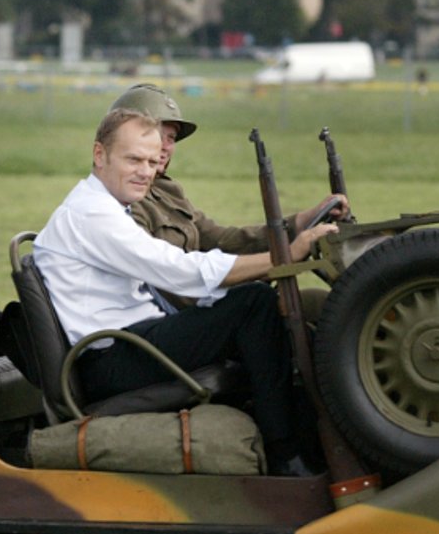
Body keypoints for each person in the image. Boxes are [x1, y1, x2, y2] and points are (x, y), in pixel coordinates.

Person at [33, 108, 340, 477]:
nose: (146, 172)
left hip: (132, 342)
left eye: (150, 161)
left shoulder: (107, 207)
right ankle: (285, 457)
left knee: (251, 300)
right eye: (133, 160)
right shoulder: (91, 215)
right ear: (100, 155)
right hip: (112, 358)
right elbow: (178, 271)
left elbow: (191, 262)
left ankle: (297, 440)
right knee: (253, 305)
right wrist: (285, 256)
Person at [112, 83, 343, 312]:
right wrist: (256, 276)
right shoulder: (126, 203)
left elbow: (223, 240)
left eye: (170, 138)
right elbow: (166, 277)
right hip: (181, 322)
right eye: (154, 135)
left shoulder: (167, 192)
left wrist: (300, 223)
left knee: (322, 305)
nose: (163, 147)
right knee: (307, 308)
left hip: (206, 303)